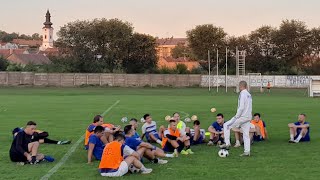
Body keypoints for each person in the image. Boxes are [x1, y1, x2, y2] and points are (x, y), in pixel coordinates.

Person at [220, 81, 253, 157]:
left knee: (226, 125)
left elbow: (241, 107)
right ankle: (247, 152)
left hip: (242, 116)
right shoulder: (249, 94)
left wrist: (236, 116)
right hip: (248, 116)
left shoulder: (242, 94)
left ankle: (227, 143)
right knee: (246, 134)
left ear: (240, 86)